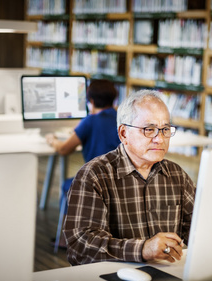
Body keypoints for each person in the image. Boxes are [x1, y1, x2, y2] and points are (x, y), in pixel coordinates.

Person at [63, 89, 196, 265]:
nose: (160, 138)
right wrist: (143, 249)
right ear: (124, 134)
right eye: (149, 129)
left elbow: (197, 230)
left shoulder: (177, 175)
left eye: (164, 129)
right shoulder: (94, 176)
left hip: (166, 277)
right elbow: (80, 246)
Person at [46, 79, 121, 247]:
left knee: (68, 186)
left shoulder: (90, 121)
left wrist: (52, 140)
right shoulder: (120, 118)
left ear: (91, 101)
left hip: (96, 181)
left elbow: (64, 149)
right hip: (121, 180)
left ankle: (65, 240)